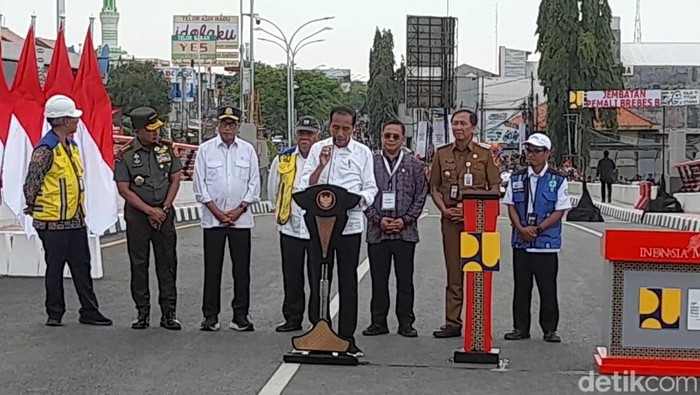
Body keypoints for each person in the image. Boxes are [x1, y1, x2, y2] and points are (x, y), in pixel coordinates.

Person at [23, 94, 112, 327]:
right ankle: (55, 312)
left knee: (82, 266)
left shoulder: (71, 146)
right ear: (62, 121)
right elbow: (31, 183)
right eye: (73, 118)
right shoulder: (45, 149)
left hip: (74, 219)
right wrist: (35, 208)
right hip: (52, 222)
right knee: (55, 268)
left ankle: (90, 310)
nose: (77, 121)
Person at [298, 105, 378, 357]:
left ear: (353, 128)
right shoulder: (317, 149)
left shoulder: (363, 153)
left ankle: (346, 336)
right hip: (319, 224)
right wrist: (321, 165)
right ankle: (318, 330)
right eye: (336, 127)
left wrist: (356, 201)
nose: (340, 133)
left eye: (345, 128)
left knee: (347, 281)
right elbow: (304, 186)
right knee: (318, 277)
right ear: (329, 125)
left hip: (348, 225)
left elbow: (370, 189)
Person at [429, 108, 501, 338]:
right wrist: (446, 211)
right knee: (454, 272)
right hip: (450, 220)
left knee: (477, 271)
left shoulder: (485, 154)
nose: (458, 128)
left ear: (473, 127)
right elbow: (434, 188)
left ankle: (476, 322)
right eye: (455, 123)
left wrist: (472, 211)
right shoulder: (441, 154)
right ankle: (452, 322)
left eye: (462, 123)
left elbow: (495, 188)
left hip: (477, 223)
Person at [114, 107, 183, 330]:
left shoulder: (166, 149)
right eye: (150, 130)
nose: (156, 133)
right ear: (138, 130)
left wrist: (163, 208)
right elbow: (124, 189)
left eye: (157, 129)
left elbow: (175, 179)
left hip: (164, 213)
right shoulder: (125, 155)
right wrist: (149, 211)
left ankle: (169, 313)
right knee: (139, 264)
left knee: (167, 264)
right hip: (138, 216)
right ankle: (142, 312)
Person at [193, 105, 260, 332]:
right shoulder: (205, 150)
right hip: (213, 221)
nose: (228, 127)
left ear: (238, 126)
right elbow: (200, 186)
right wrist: (218, 213)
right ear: (218, 125)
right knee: (213, 269)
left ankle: (241, 316)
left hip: (241, 220)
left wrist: (238, 210)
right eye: (224, 123)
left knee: (241, 271)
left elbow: (254, 185)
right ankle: (210, 316)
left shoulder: (248, 150)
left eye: (232, 124)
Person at [502, 133, 571, 343]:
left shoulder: (558, 179)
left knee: (547, 287)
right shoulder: (517, 178)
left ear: (547, 153)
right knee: (521, 287)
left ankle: (550, 329)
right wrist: (521, 228)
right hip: (521, 241)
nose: (531, 154)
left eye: (536, 151)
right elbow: (510, 206)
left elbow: (560, 210)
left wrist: (538, 229)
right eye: (529, 150)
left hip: (546, 243)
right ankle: (520, 328)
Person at [362, 120, 428, 338]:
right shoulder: (370, 163)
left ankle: (406, 322)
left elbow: (421, 196)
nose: (390, 140)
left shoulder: (414, 165)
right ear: (381, 137)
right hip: (377, 231)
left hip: (405, 232)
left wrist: (406, 220)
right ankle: (378, 321)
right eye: (387, 135)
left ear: (403, 138)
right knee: (378, 280)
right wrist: (377, 219)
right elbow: (362, 196)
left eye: (395, 136)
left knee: (405, 279)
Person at [268, 116, 321, 332]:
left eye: (309, 133)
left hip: (317, 228)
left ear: (318, 136)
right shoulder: (284, 158)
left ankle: (318, 319)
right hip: (290, 226)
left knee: (317, 276)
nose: (305, 137)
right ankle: (292, 317)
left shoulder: (324, 158)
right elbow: (273, 188)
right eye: (301, 133)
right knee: (291, 275)